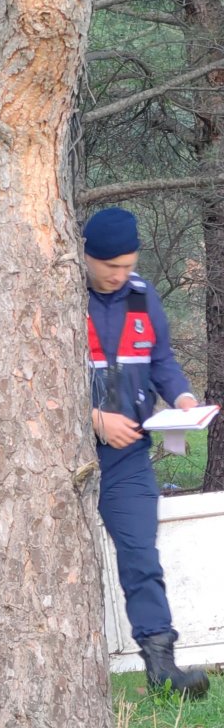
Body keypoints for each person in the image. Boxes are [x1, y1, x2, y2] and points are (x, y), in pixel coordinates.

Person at [83, 207, 209, 698]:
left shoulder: (142, 295)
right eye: (110, 266)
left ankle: (161, 666)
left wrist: (181, 397)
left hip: (128, 456)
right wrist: (92, 419)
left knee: (141, 558)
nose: (119, 276)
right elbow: (35, 381)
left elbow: (162, 361)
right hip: (60, 455)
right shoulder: (57, 296)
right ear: (87, 256)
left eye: (128, 265)